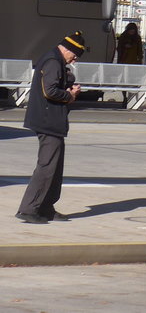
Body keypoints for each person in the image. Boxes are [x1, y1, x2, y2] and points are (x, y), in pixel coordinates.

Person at [15, 30, 87, 224]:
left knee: (55, 167)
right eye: (74, 55)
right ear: (67, 49)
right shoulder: (53, 62)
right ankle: (28, 209)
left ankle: (47, 207)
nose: (74, 60)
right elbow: (50, 90)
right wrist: (70, 95)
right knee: (46, 167)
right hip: (48, 121)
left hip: (52, 121)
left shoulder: (55, 60)